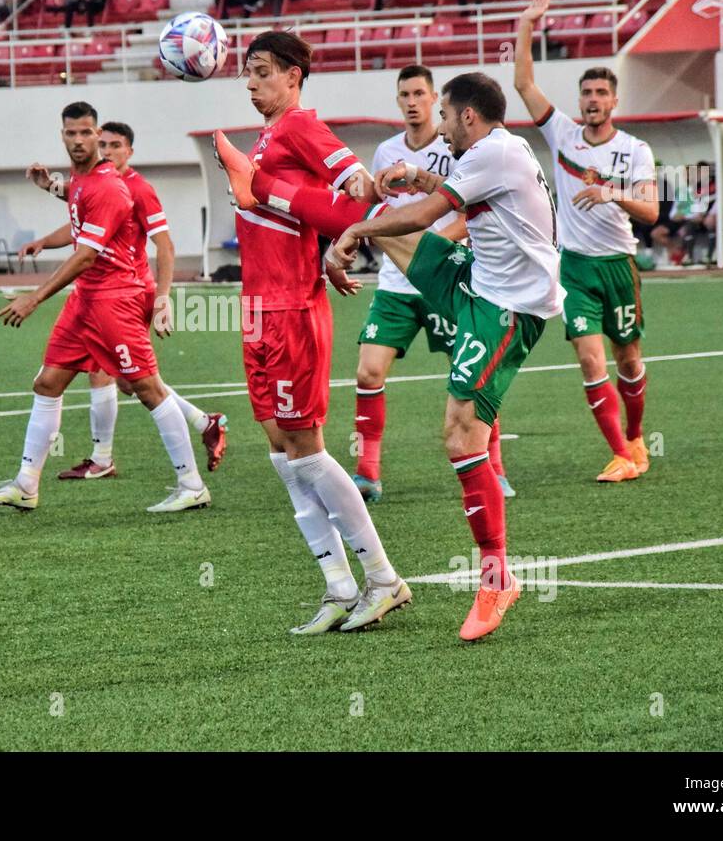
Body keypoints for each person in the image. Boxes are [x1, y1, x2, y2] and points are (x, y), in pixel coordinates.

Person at [214, 70, 565, 641]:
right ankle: (266, 190)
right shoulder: (493, 150)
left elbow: (426, 216)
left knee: (460, 435)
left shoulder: (494, 155)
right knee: (391, 243)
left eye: (445, 116)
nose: (438, 125)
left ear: (466, 117)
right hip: (478, 282)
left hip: (507, 308)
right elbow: (437, 189)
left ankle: (497, 576)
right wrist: (412, 177)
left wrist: (353, 233)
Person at [208, 32, 413, 636]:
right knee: (280, 451)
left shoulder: (298, 127)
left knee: (307, 449)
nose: (251, 83)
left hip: (292, 310)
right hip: (255, 309)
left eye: (263, 72)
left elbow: (352, 195)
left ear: (294, 76)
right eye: (247, 73)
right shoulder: (266, 140)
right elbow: (304, 214)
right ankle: (338, 585)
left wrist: (355, 199)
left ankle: (382, 579)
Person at [0, 101, 213, 514]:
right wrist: (50, 186)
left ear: (97, 133)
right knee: (48, 383)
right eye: (72, 134)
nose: (80, 141)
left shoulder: (111, 186)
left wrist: (34, 298)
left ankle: (191, 484)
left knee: (145, 388)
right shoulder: (82, 180)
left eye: (87, 133)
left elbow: (86, 254)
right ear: (63, 134)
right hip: (85, 300)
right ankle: (26, 484)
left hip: (115, 300)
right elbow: (75, 202)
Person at [20, 121, 230, 480]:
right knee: (125, 381)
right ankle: (199, 422)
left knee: (129, 379)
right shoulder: (94, 182)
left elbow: (164, 245)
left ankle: (118, 461)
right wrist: (45, 239)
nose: (108, 151)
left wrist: (164, 298)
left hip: (126, 294)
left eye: (115, 145)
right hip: (98, 294)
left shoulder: (138, 189)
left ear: (130, 151)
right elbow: (79, 224)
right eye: (103, 144)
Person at [344, 65, 513, 502]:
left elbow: (465, 214)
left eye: (421, 93)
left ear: (434, 97)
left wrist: (430, 252)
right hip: (396, 285)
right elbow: (379, 213)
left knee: (472, 377)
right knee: (368, 370)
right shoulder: (384, 152)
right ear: (398, 101)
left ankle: (494, 468)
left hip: (449, 276)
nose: (413, 101)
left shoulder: (458, 145)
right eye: (405, 94)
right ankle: (367, 473)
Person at [516, 0, 657, 482]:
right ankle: (620, 453)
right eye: (587, 93)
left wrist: (610, 193)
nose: (593, 100)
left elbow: (652, 211)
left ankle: (637, 438)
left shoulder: (635, 150)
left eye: (601, 93)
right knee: (589, 357)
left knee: (629, 358)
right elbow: (524, 83)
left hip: (618, 265)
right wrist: (527, 24)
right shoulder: (563, 135)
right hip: (573, 265)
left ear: (615, 100)